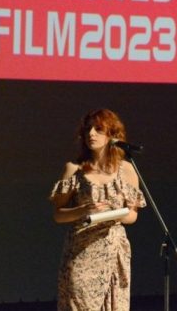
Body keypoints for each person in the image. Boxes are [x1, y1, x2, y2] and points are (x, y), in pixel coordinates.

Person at [49, 108, 146, 311]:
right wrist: (83, 210)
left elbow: (132, 215)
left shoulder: (127, 169)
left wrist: (113, 213)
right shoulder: (74, 169)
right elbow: (58, 214)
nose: (91, 134)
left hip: (114, 249)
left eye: (98, 129)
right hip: (81, 250)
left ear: (112, 134)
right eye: (88, 129)